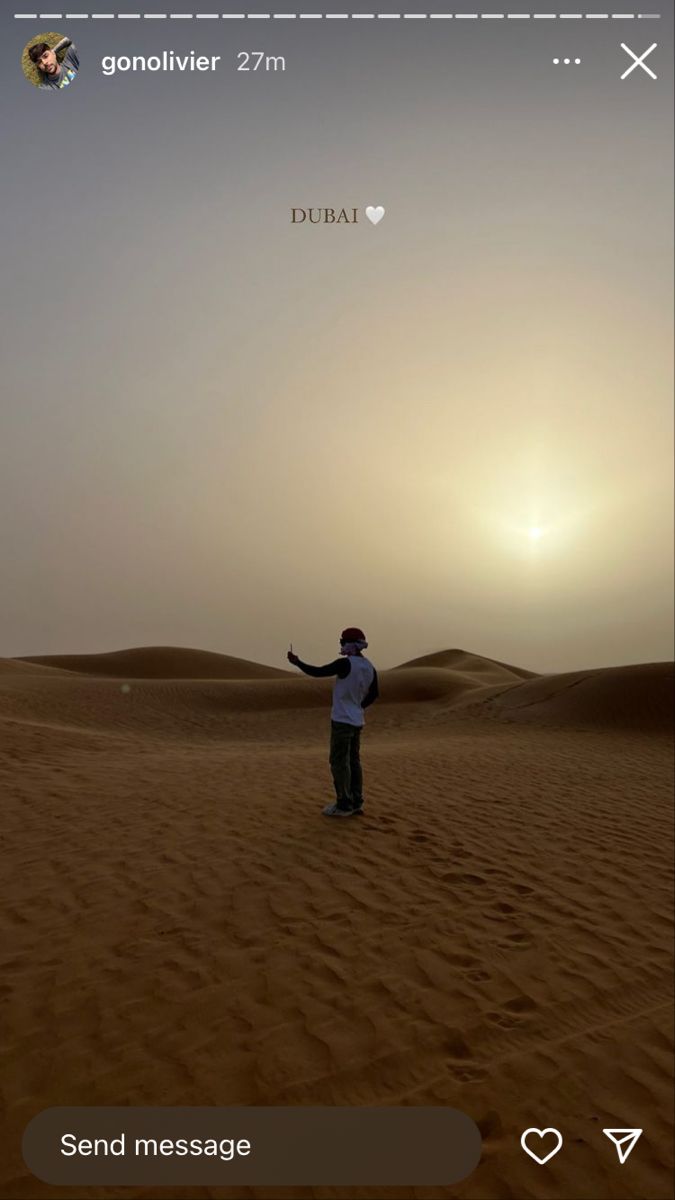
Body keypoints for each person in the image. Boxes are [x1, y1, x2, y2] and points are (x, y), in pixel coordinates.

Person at [287, 627, 379, 818]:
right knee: (353, 761)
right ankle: (356, 800)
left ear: (349, 643)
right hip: (356, 720)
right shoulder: (369, 667)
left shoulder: (345, 664)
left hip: (342, 720)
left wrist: (297, 663)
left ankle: (344, 803)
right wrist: (359, 706)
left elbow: (319, 672)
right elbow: (375, 694)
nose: (340, 645)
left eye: (342, 641)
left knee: (339, 761)